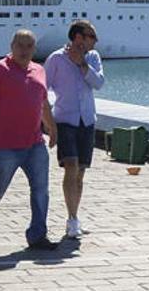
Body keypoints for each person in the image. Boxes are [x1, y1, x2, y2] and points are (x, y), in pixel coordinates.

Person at [0, 29, 59, 250]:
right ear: (11, 45)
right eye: (20, 45)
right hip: (4, 146)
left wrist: (52, 127)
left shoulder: (39, 70)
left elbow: (43, 103)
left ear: (34, 49)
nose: (24, 50)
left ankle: (37, 235)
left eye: (29, 46)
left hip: (35, 144)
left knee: (41, 190)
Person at [44, 20, 105, 239]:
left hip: (87, 120)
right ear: (78, 37)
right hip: (65, 120)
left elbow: (99, 83)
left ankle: (75, 216)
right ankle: (71, 219)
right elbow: (42, 88)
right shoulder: (56, 59)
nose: (95, 41)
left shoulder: (93, 58)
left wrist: (82, 65)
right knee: (71, 166)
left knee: (80, 173)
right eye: (91, 36)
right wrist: (47, 120)